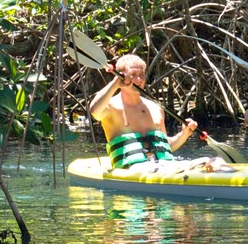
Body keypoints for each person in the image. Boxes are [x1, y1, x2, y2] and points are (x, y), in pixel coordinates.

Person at [89, 54, 227, 172]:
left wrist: (184, 134)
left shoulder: (155, 108)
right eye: (133, 75)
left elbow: (166, 145)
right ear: (122, 77)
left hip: (164, 166)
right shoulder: (111, 106)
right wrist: (115, 84)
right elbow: (94, 111)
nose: (139, 80)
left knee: (214, 161)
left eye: (142, 75)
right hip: (134, 169)